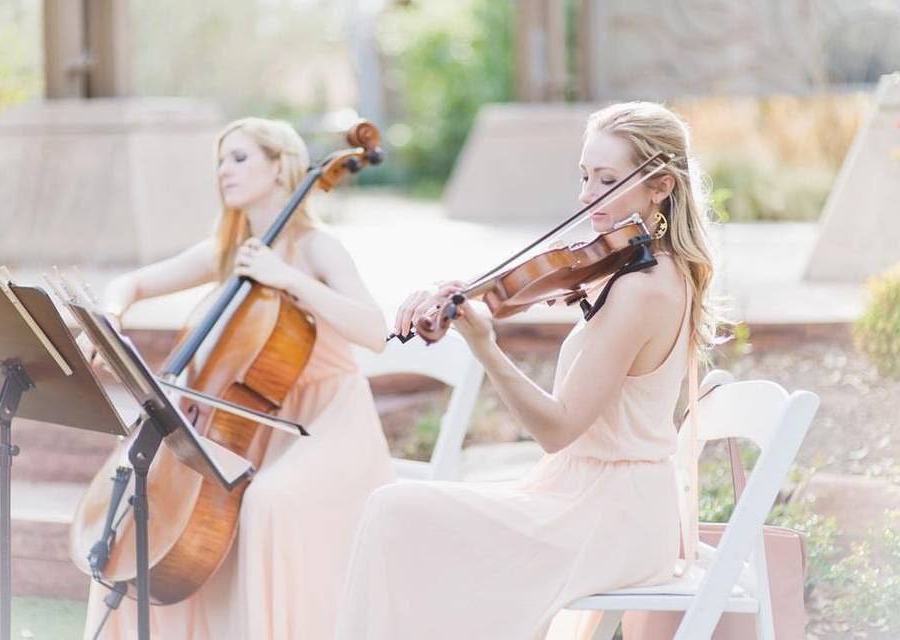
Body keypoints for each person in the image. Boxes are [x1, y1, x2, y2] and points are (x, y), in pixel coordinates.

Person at [335, 101, 721, 640]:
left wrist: (486, 349)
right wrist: (450, 292)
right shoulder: (629, 266)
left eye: (607, 180)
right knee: (403, 519)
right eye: (585, 175)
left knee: (394, 510)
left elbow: (558, 429)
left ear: (659, 185)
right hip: (585, 496)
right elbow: (515, 290)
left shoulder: (643, 289)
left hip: (610, 518)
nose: (587, 195)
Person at [82, 117, 395, 640]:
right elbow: (130, 282)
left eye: (239, 157)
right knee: (145, 509)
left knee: (268, 501)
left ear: (280, 166)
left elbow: (375, 330)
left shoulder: (318, 248)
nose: (224, 170)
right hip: (255, 424)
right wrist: (113, 313)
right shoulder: (230, 252)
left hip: (331, 426)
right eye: (220, 161)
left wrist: (288, 279)